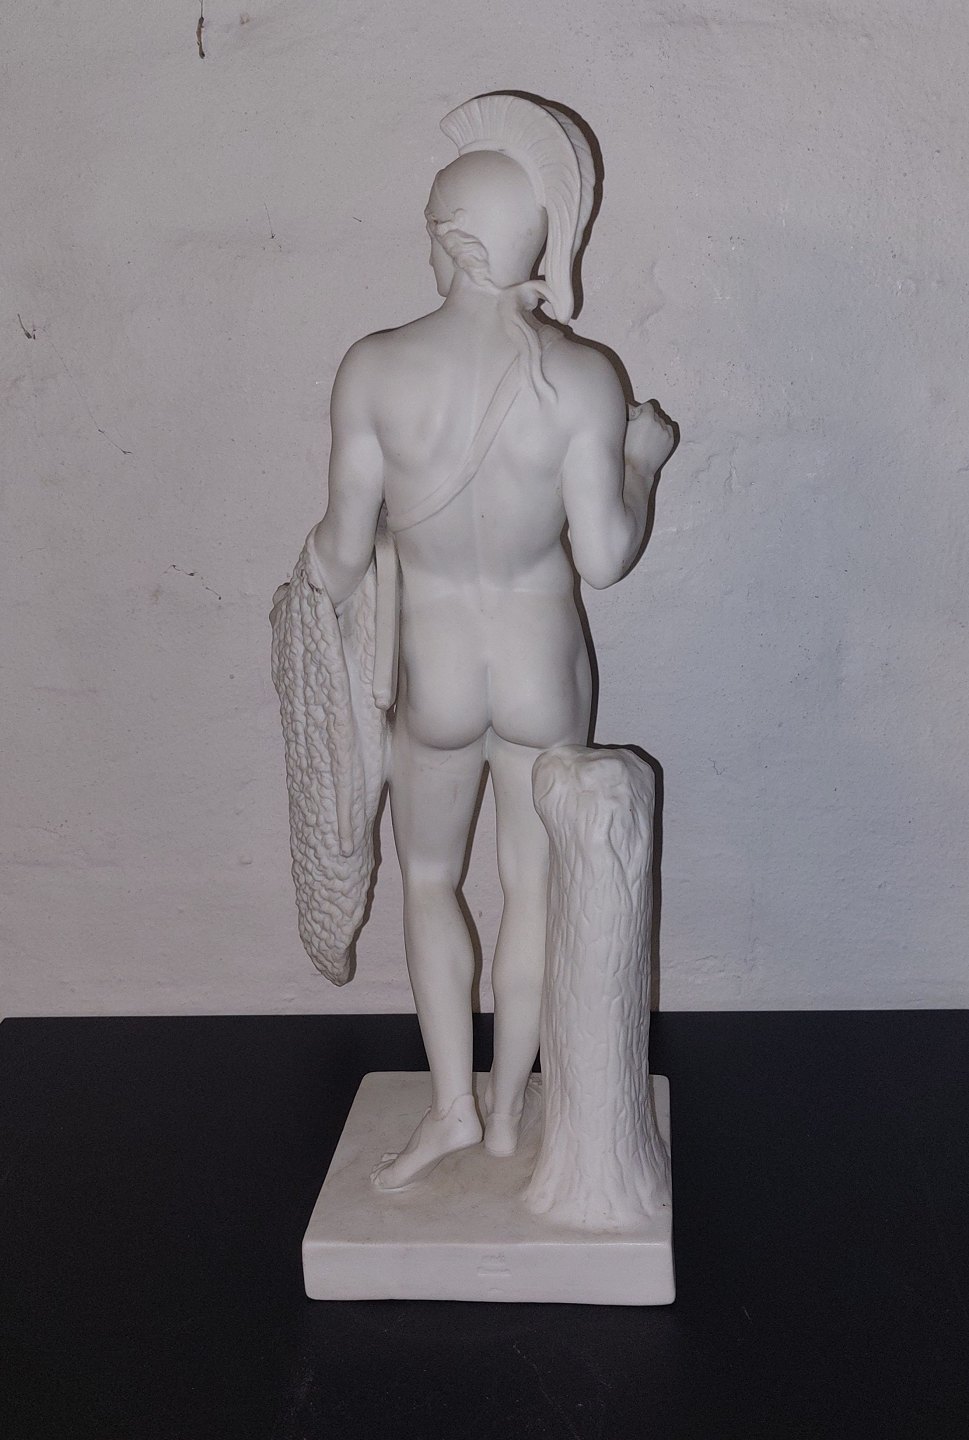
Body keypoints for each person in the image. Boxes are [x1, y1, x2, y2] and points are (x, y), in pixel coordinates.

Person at [307, 96, 675, 1188]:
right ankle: (514, 1114)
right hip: (539, 665)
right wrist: (644, 462)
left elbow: (338, 554)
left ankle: (455, 1110)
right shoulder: (587, 378)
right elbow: (604, 557)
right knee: (533, 889)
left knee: (429, 880)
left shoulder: (373, 368)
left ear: (453, 242)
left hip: (435, 673)